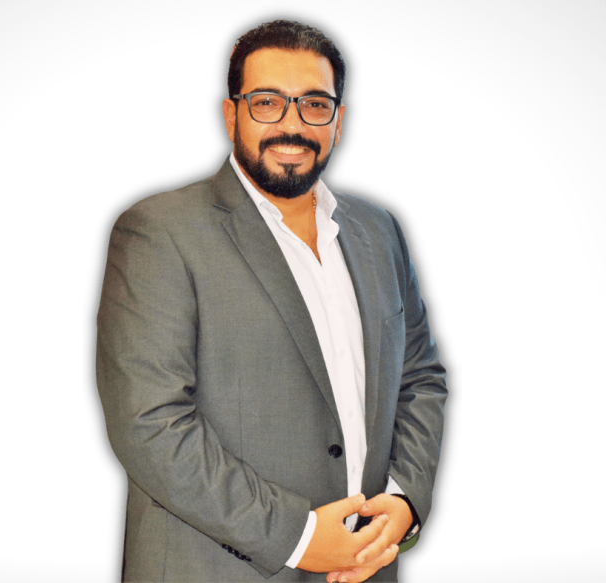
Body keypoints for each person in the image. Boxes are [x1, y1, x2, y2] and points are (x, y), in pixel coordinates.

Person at [96, 19, 447, 583]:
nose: (292, 124)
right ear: (231, 114)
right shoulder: (159, 232)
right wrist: (299, 537)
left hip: (365, 568)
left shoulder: (379, 231)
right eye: (267, 102)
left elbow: (421, 378)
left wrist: (404, 500)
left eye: (314, 104)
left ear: (338, 121)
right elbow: (150, 423)